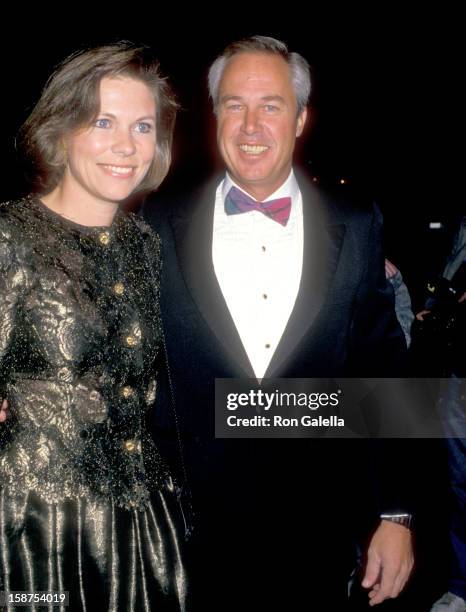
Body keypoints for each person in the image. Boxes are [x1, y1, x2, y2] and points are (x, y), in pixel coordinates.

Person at [145, 35, 415, 609]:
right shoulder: (156, 222)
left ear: (299, 120)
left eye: (270, 105)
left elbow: (384, 372)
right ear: (215, 116)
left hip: (318, 533)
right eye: (234, 106)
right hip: (186, 534)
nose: (250, 126)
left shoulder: (357, 224)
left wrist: (397, 512)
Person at [0, 42, 188, 611]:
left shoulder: (152, 247)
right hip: (38, 527)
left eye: (142, 126)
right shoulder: (11, 236)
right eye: (102, 121)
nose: (125, 146)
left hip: (145, 525)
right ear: (61, 130)